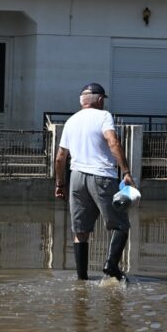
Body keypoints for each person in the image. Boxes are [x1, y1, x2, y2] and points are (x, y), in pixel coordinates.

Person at [54, 82, 136, 281]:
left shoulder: (71, 121)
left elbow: (60, 158)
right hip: (102, 177)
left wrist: (60, 184)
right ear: (100, 100)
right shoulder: (104, 116)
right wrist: (126, 171)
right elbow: (113, 142)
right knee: (121, 226)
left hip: (76, 178)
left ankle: (82, 279)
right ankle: (111, 266)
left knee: (80, 231)